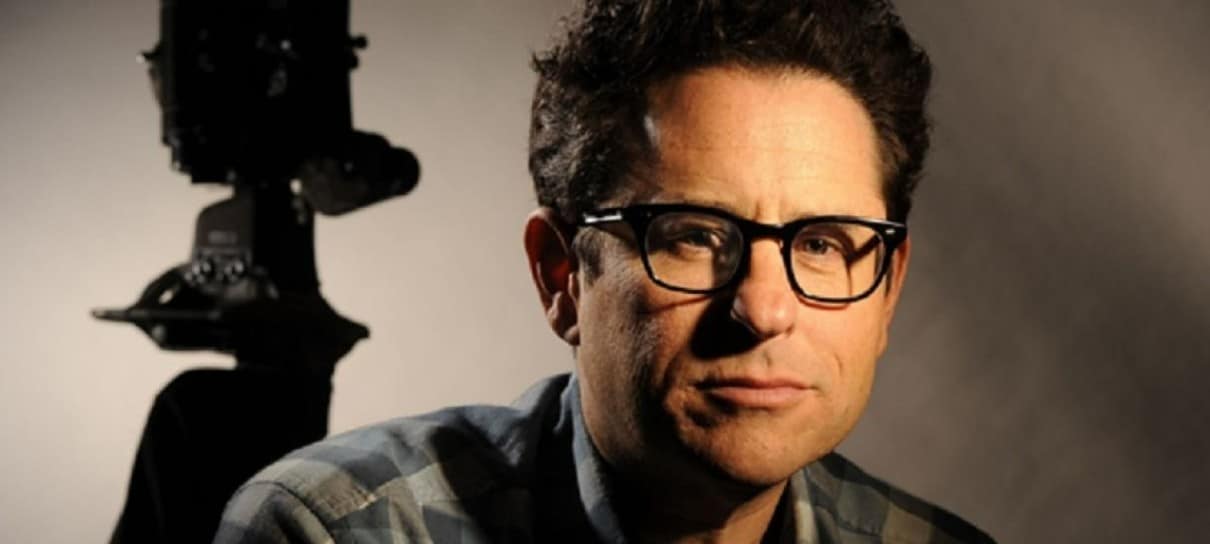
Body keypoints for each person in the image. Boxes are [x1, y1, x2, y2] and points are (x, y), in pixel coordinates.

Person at [215, 0, 995, 542]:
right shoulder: (334, 533)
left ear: (888, 291)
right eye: (694, 236)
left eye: (821, 244)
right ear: (561, 276)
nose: (764, 309)